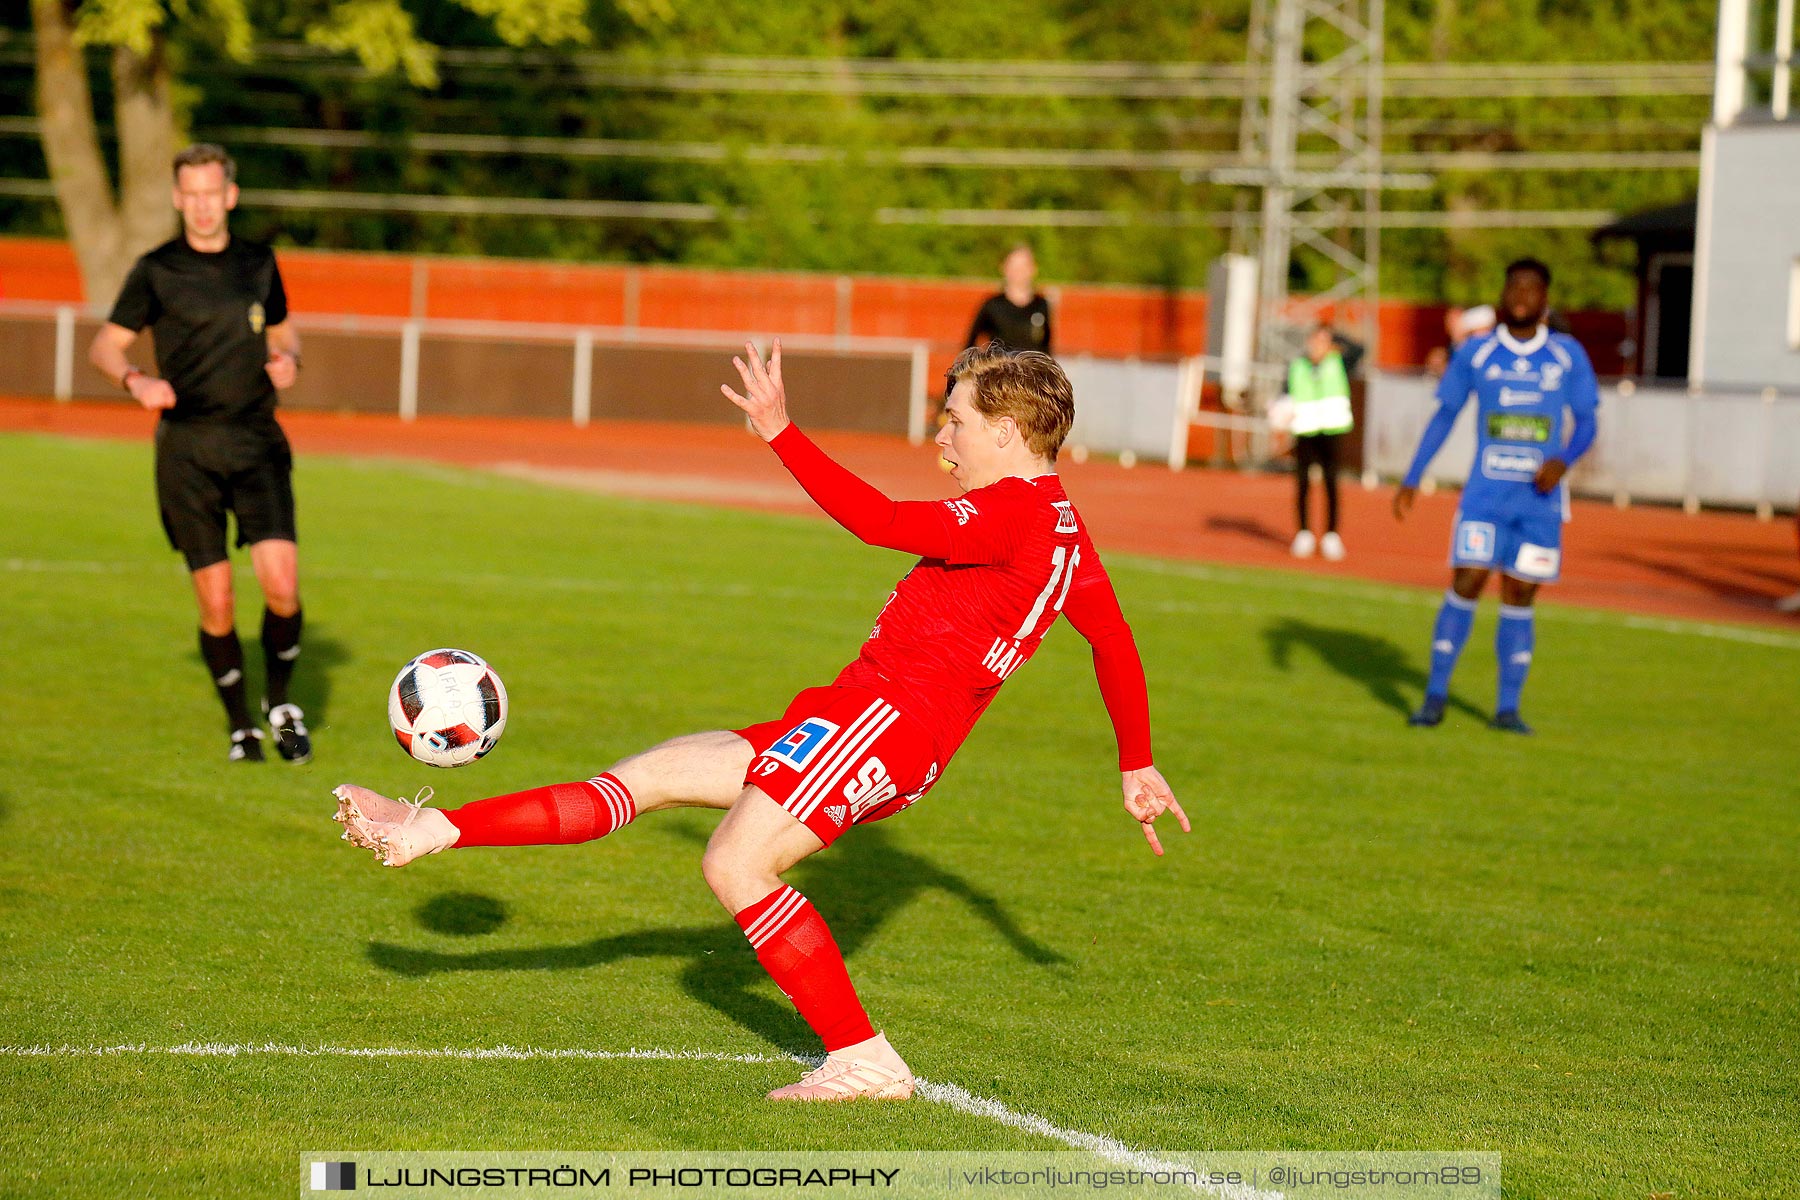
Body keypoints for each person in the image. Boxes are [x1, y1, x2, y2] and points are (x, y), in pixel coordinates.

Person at [331, 340, 1185, 1101]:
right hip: (862, 717)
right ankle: (425, 830)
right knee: (652, 774)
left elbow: (878, 521)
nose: (943, 439)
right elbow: (1113, 642)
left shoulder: (1010, 512)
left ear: (1006, 433)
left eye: (955, 421)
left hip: (885, 723)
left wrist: (781, 431)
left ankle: (864, 1058)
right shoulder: (1063, 523)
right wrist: (1136, 763)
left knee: (737, 863)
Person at [89, 143, 310, 764]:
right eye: (192, 194)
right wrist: (136, 381)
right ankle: (241, 725)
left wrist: (288, 359)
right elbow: (105, 347)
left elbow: (285, 328)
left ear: (229, 196)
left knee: (283, 587)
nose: (203, 205)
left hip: (258, 442)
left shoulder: (260, 263)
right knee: (216, 599)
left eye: (213, 193)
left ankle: (281, 703)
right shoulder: (157, 270)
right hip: (187, 449)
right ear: (178, 198)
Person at [1392, 258, 1599, 733]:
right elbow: (1444, 415)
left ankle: (1507, 709)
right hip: (1485, 498)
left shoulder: (1567, 355)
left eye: (1532, 287)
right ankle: (1434, 697)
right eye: (1514, 287)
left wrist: (1564, 458)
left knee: (1521, 593)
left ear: (1546, 298)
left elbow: (1588, 421)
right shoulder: (1477, 353)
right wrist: (1412, 477)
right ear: (1504, 295)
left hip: (1539, 503)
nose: (1522, 295)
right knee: (1466, 580)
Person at [1282, 324, 1360, 560]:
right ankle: (1304, 533)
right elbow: (1285, 394)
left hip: (1331, 430)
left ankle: (1331, 535)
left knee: (1330, 483)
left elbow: (1359, 349)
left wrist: (1333, 335)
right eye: (1315, 340)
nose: (1318, 346)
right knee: (1303, 483)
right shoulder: (1297, 365)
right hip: (1305, 431)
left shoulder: (1338, 362)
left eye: (1323, 341)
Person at [965, 244, 1052, 355]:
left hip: (1031, 371)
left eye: (1023, 266)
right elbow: (969, 344)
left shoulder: (1041, 305)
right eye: (1014, 266)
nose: (1019, 272)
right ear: (1004, 268)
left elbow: (1046, 347)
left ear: (1033, 269)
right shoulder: (993, 305)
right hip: (1001, 370)